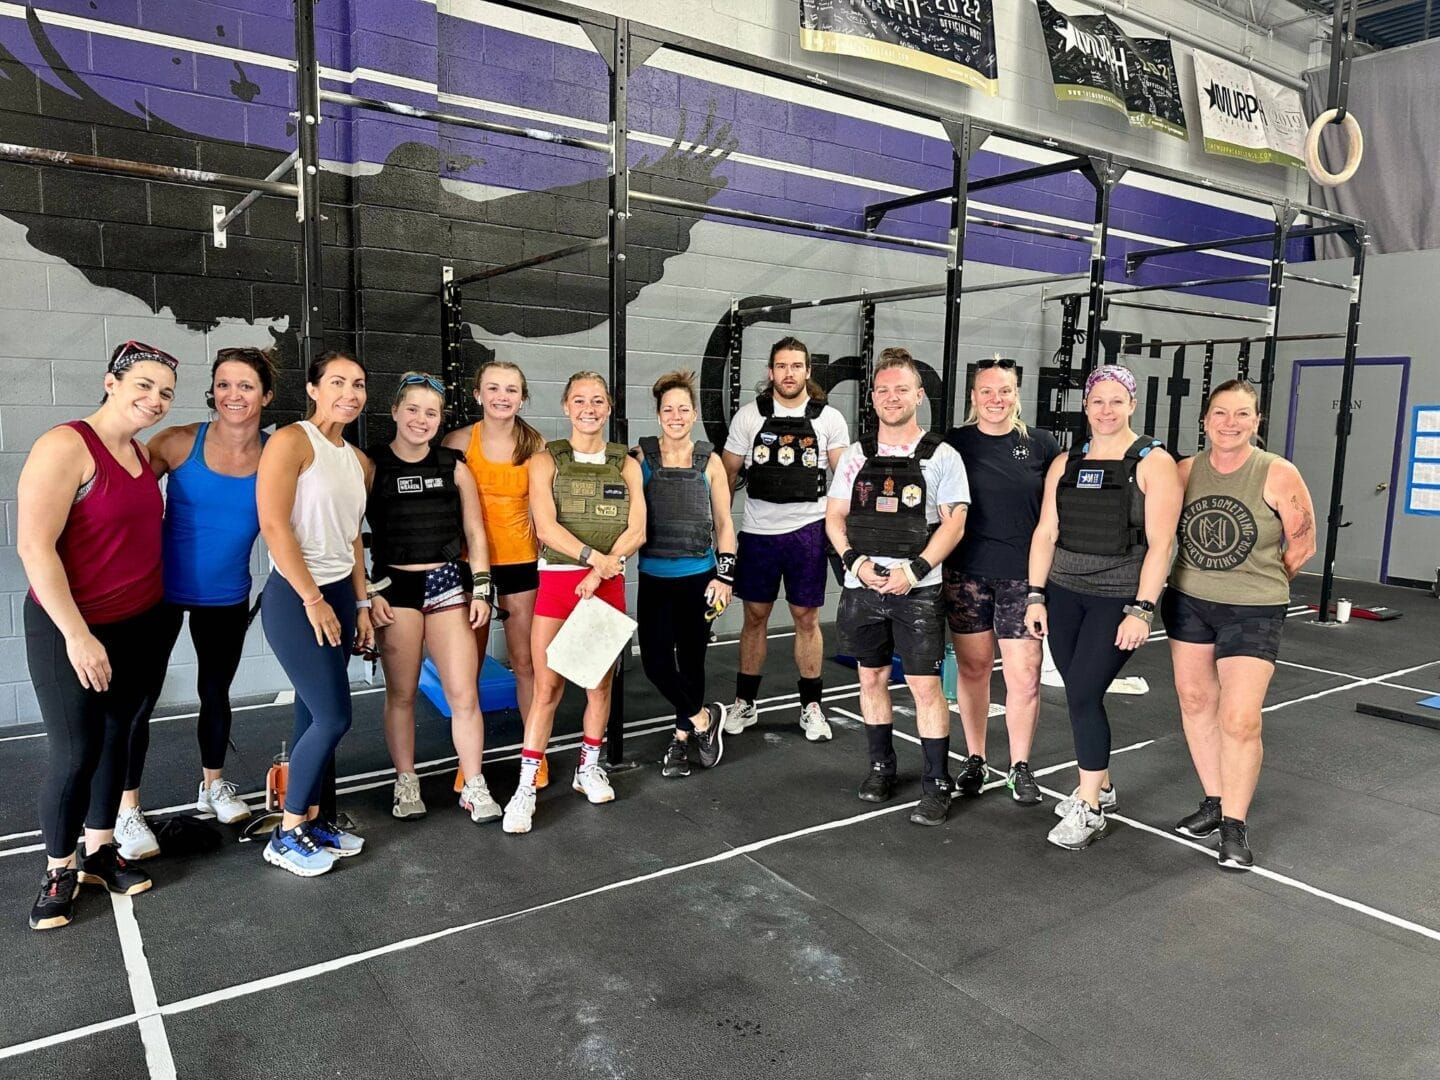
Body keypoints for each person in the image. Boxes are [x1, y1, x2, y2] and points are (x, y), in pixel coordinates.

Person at [20, 341, 178, 930]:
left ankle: (99, 847)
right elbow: (34, 547)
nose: (154, 400)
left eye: (164, 392)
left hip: (137, 622)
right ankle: (59, 868)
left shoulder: (137, 452)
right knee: (76, 750)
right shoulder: (65, 445)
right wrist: (78, 636)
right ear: (111, 382)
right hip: (72, 627)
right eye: (143, 385)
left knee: (119, 736)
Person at [111, 346, 275, 861]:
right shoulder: (177, 443)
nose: (232, 395)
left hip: (226, 596)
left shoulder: (277, 455)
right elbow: (123, 495)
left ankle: (213, 785)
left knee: (216, 693)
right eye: (223, 384)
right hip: (156, 593)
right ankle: (127, 808)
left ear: (266, 396)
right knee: (140, 700)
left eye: (245, 385)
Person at [1027, 364, 1182, 850]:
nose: (1106, 410)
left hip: (1117, 598)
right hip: (1064, 594)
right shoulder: (1066, 462)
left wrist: (1142, 608)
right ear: (1087, 407)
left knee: (1083, 693)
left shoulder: (1154, 462)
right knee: (1080, 691)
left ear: (1132, 404)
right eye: (1097, 401)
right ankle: (1104, 786)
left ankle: (1090, 807)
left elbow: (1162, 545)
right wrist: (1035, 595)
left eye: (1117, 401)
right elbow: (1046, 533)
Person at [1166, 379, 1316, 869]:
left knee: (1240, 718)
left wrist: (1256, 582)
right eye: (1221, 414)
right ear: (1205, 420)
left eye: (1242, 414)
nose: (1230, 423)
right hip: (1189, 602)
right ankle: (1213, 800)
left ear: (1257, 421)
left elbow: (1302, 545)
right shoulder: (1185, 471)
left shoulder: (1276, 472)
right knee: (1194, 702)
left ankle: (1235, 824)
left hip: (1254, 609)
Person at [825, 349, 970, 825]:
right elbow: (834, 518)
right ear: (872, 397)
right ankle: (881, 767)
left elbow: (954, 526)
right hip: (862, 585)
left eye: (901, 389)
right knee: (871, 678)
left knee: (926, 687)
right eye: (883, 390)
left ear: (919, 395)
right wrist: (856, 563)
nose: (892, 397)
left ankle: (935, 782)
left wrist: (915, 571)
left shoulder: (943, 456)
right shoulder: (855, 456)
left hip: (919, 590)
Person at [501, 372, 646, 834]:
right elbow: (546, 528)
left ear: (607, 408)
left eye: (598, 401)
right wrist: (593, 562)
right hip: (561, 584)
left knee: (598, 687)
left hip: (606, 586)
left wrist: (600, 571)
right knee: (547, 689)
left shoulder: (626, 464)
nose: (589, 408)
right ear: (566, 406)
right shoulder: (545, 462)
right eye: (580, 400)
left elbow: (637, 531)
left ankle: (588, 767)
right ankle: (525, 787)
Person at [256, 350, 374, 876]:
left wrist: (363, 601)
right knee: (334, 716)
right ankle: (285, 834)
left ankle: (314, 818)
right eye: (338, 382)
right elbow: (275, 526)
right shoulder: (290, 441)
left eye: (359, 384)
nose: (349, 392)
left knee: (310, 712)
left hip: (339, 596)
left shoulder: (356, 460)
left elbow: (351, 539)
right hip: (296, 596)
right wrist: (312, 598)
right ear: (312, 389)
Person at [367, 373, 496, 823]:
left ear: (441, 420)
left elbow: (476, 533)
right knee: (401, 694)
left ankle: (474, 782)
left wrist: (481, 588)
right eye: (414, 409)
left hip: (447, 585)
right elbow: (346, 534)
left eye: (432, 412)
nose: (421, 420)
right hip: (393, 590)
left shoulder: (453, 465)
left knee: (464, 693)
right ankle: (406, 780)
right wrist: (364, 594)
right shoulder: (371, 466)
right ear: (395, 412)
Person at [942, 358, 1062, 807]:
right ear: (973, 397)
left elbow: (1056, 514)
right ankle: (975, 758)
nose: (996, 399)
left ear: (1017, 395)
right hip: (966, 573)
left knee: (1024, 676)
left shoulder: (1042, 445)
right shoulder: (954, 444)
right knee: (973, 671)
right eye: (987, 391)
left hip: (1022, 579)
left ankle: (1019, 767)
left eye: (1005, 391)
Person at [721, 337, 850, 742]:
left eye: (797, 366)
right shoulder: (749, 417)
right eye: (781, 366)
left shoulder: (828, 419)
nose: (789, 373)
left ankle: (811, 705)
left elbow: (843, 483)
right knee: (754, 617)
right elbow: (723, 478)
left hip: (807, 533)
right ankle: (745, 702)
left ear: (808, 371)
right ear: (771, 371)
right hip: (759, 534)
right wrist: (718, 530)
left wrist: (844, 536)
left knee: (806, 618)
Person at [442, 359, 548, 789]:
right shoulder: (459, 441)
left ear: (522, 397)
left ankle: (534, 754)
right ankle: (469, 763)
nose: (502, 397)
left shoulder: (535, 443)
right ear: (477, 394)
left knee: (525, 663)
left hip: (521, 561)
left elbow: (545, 506)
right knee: (468, 667)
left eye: (511, 389)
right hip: (471, 566)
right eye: (494, 388)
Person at [634, 370, 737, 779]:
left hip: (700, 575)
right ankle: (704, 719)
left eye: (683, 409)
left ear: (693, 414)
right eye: (668, 409)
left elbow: (726, 523)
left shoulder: (709, 461)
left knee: (692, 660)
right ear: (659, 416)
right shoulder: (641, 459)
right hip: (654, 578)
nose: (675, 415)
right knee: (657, 663)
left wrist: (725, 577)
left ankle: (680, 739)